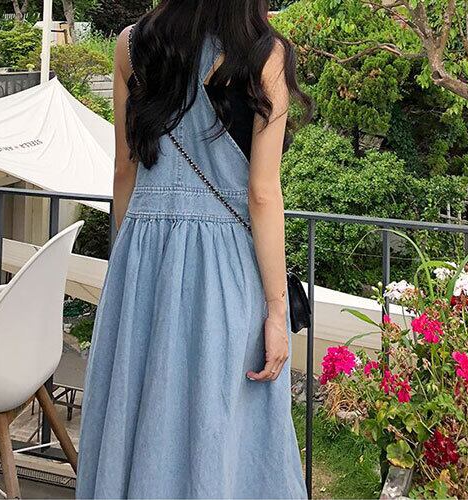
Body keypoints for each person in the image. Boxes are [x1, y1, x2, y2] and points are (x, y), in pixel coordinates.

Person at [76, 0, 312, 498]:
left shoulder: (131, 46)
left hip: (141, 257)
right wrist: (277, 310)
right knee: (217, 422)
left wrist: (133, 259)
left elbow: (124, 170)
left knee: (137, 413)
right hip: (224, 266)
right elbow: (262, 194)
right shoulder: (264, 53)